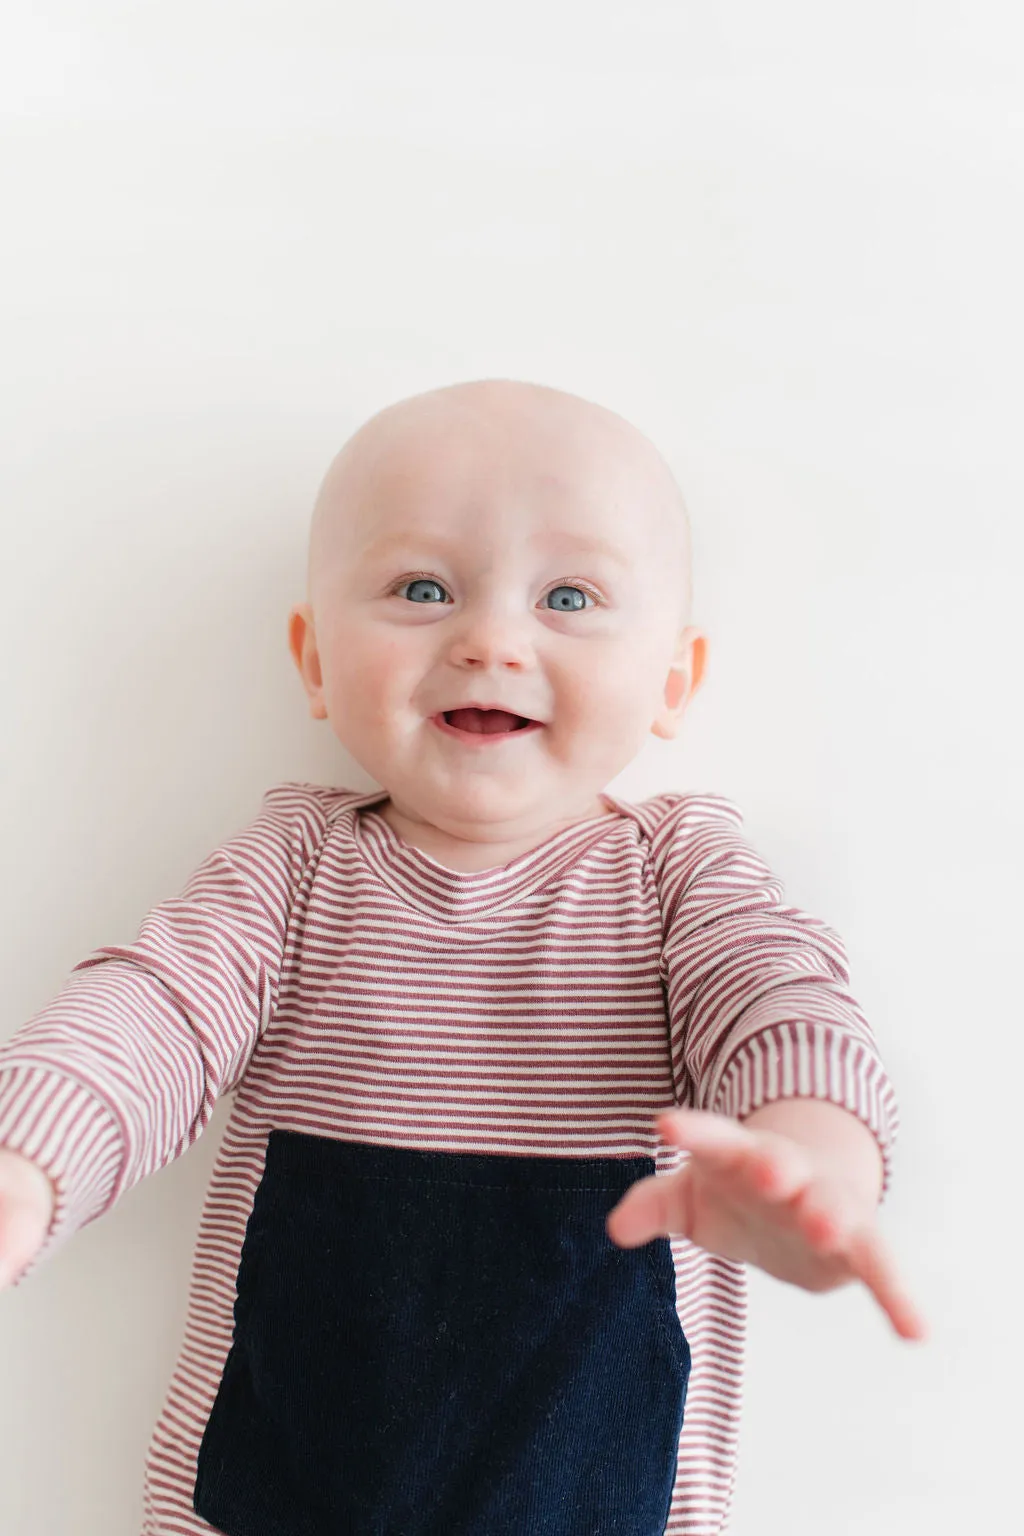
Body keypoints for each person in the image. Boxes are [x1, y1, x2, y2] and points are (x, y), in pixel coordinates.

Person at [0, 379, 926, 1536]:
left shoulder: (675, 871)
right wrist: (28, 1161)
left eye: (570, 596)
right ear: (316, 662)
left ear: (673, 682)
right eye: (421, 588)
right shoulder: (295, 866)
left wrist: (812, 1157)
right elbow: (153, 1014)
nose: (490, 639)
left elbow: (777, 992)